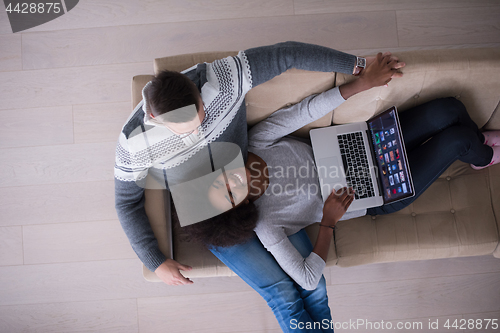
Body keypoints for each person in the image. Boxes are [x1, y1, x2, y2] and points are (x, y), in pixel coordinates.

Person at [180, 64, 498, 332]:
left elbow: (304, 111)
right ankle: (481, 156)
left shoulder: (256, 142)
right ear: (242, 206)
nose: (230, 178)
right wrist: (328, 222)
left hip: (367, 142)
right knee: (459, 139)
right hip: (377, 192)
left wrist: (361, 84)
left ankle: (478, 147)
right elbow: (307, 279)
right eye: (230, 193)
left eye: (218, 177)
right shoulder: (267, 224)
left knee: (450, 108)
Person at [114, 41, 404, 286]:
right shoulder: (134, 145)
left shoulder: (223, 81)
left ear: (196, 90)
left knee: (305, 289)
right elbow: (126, 202)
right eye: (182, 129)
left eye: (200, 114)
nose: (197, 131)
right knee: (284, 292)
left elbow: (288, 53)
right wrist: (154, 260)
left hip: (247, 171)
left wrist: (358, 67)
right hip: (208, 210)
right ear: (154, 120)